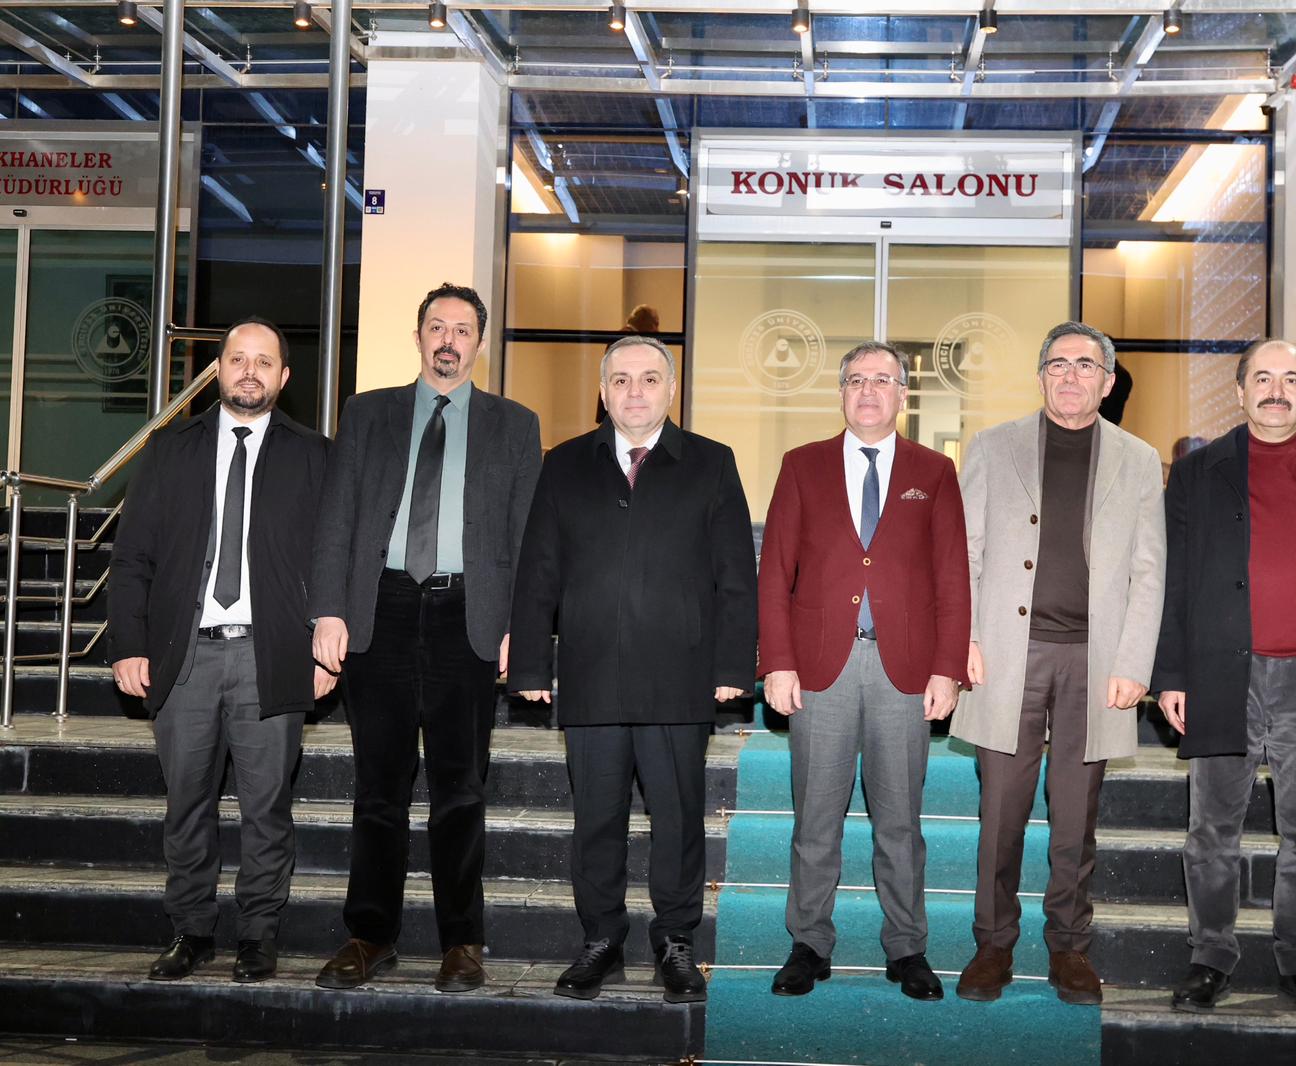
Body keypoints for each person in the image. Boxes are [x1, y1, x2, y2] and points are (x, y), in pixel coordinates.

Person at [309, 282, 542, 993]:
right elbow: (336, 516)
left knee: (459, 790)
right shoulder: (367, 412)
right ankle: (369, 935)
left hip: (466, 616)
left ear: (479, 343)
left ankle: (461, 942)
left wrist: (522, 629)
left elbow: (529, 540)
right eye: (437, 326)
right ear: (418, 337)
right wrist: (328, 610)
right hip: (377, 610)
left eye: (462, 329)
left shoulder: (515, 424)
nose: (448, 339)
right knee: (378, 788)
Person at [510, 336, 757, 1004]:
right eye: (621, 380)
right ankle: (601, 938)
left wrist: (734, 665)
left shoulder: (711, 463)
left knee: (678, 818)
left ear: (671, 389)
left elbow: (737, 574)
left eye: (649, 378)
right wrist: (530, 662)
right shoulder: (564, 464)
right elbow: (538, 569)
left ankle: (675, 940)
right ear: (603, 391)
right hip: (590, 674)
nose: (635, 391)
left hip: (680, 677)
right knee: (596, 818)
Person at [1153, 338, 1296, 1021]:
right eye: (1262, 377)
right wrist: (1172, 674)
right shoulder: (1195, 474)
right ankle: (1210, 959)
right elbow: (1172, 581)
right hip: (1220, 674)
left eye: (1290, 378)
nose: (1276, 390)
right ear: (1240, 390)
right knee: (1210, 833)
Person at [108, 316, 332, 984]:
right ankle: (192, 930)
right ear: (218, 369)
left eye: (264, 361)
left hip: (273, 655)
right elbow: (132, 556)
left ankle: (258, 935)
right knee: (186, 803)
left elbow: (334, 561)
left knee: (267, 807)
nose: (249, 371)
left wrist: (325, 649)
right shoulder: (170, 449)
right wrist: (128, 644)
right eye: (238, 359)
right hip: (184, 658)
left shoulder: (316, 456)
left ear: (284, 376)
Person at [951, 322, 1165, 1005]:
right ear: (1041, 375)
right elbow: (963, 553)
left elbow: (1149, 570)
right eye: (1058, 364)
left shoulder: (1139, 459)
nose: (1070, 375)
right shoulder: (993, 447)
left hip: (1095, 663)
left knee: (1076, 818)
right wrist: (962, 639)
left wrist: (1133, 661)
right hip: (1006, 656)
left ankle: (1070, 947)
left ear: (1107, 381)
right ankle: (993, 945)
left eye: (1085, 365)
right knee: (1001, 813)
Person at [758, 341, 970, 1002]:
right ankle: (808, 944)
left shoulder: (934, 471)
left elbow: (953, 578)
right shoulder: (802, 465)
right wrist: (778, 662)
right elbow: (774, 573)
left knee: (900, 822)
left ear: (902, 393)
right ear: (842, 391)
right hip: (820, 668)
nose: (868, 391)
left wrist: (947, 669)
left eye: (882, 380)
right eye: (856, 380)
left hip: (904, 672)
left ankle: (907, 947)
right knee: (815, 818)